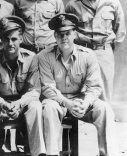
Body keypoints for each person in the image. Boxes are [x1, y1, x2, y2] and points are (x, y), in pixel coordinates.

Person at [38, 13, 119, 156]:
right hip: (57, 102)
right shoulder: (44, 56)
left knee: (104, 108)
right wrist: (67, 103)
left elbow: (94, 86)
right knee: (48, 107)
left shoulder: (88, 55)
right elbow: (47, 87)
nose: (64, 38)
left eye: (67, 33)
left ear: (74, 34)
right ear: (55, 36)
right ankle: (52, 153)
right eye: (59, 34)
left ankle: (108, 153)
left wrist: (86, 103)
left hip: (80, 101)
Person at [0, 16, 45, 156]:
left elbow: (34, 91)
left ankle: (38, 153)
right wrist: (3, 104)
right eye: (6, 39)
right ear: (1, 40)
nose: (10, 43)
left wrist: (19, 104)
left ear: (21, 39)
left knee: (36, 106)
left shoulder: (32, 58)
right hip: (0, 106)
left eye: (14, 39)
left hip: (23, 105)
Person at [65, 0, 126, 102]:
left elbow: (120, 32)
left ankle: (106, 117)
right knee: (79, 87)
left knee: (105, 88)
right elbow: (67, 30)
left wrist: (106, 49)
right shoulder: (73, 5)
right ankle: (81, 117)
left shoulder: (113, 3)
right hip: (81, 51)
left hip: (104, 51)